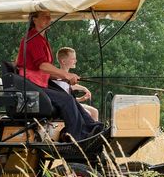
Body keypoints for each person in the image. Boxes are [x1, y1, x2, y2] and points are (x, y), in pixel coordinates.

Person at [15, 11, 103, 141]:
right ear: (34, 19)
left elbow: (43, 71)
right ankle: (78, 138)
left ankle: (92, 127)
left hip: (39, 84)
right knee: (66, 100)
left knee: (69, 98)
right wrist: (66, 75)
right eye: (45, 17)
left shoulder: (40, 39)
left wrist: (62, 77)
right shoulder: (32, 38)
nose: (49, 19)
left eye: (49, 17)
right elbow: (43, 66)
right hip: (30, 86)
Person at [53, 47, 99, 121]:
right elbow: (64, 100)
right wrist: (81, 96)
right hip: (63, 107)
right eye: (73, 59)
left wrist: (83, 91)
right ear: (63, 61)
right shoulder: (58, 78)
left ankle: (96, 128)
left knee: (94, 111)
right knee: (87, 113)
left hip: (69, 103)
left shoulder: (66, 78)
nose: (76, 60)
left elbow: (70, 86)